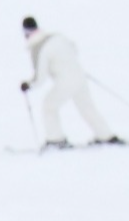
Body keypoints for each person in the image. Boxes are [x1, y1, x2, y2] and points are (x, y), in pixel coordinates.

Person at [19, 17, 121, 148]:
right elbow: (74, 48)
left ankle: (55, 139)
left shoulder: (38, 48)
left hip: (65, 81)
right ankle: (106, 136)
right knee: (87, 108)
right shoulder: (57, 37)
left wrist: (28, 85)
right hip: (80, 76)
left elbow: (40, 78)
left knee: (48, 106)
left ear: (26, 33)